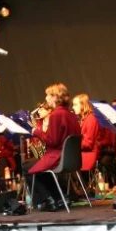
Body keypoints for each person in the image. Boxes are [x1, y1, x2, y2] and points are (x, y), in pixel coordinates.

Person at [26, 83, 82, 211]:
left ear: (55, 97)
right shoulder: (70, 114)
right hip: (70, 158)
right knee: (37, 168)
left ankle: (48, 200)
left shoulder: (56, 115)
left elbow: (52, 141)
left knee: (27, 169)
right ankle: (59, 198)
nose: (46, 98)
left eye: (47, 95)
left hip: (58, 156)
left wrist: (36, 132)